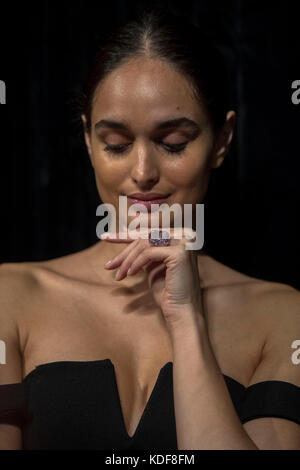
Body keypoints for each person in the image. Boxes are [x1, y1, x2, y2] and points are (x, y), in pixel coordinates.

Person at [0, 6, 299, 450]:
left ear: (221, 140)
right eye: (116, 145)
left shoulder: (284, 315)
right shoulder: (11, 295)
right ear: (87, 141)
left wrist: (187, 321)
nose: (142, 173)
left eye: (173, 143)